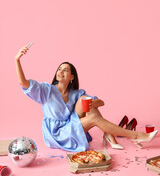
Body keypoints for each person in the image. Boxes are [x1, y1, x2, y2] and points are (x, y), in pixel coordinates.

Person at [15, 45, 158, 152]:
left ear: (72, 77)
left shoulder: (75, 93)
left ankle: (110, 134)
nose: (61, 71)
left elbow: (101, 102)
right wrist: (17, 60)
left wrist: (91, 103)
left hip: (71, 124)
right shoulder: (46, 90)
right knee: (93, 116)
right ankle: (135, 135)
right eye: (59, 69)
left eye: (65, 70)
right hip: (57, 133)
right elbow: (24, 83)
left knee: (86, 100)